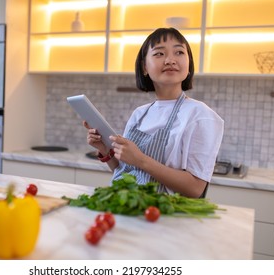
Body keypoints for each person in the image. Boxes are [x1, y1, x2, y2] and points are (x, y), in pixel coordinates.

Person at [84, 27, 224, 198]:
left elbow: (195, 189)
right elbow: (126, 173)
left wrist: (140, 159)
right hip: (129, 208)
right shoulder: (139, 114)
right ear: (144, 67)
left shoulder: (200, 115)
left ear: (189, 65)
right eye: (159, 54)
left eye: (179, 52)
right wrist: (106, 151)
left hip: (167, 217)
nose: (170, 60)